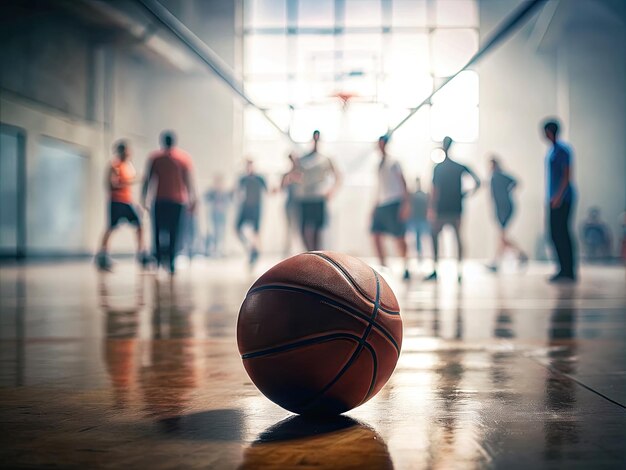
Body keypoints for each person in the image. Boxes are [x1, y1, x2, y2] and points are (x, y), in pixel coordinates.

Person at [425, 136, 480, 282]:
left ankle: (438, 269)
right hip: (455, 209)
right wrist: (465, 194)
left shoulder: (439, 168)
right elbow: (477, 182)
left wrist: (431, 208)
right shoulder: (458, 167)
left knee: (439, 238)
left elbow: (434, 190)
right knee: (457, 239)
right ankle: (458, 271)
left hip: (443, 209)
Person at [141, 131, 196, 275]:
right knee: (175, 232)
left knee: (158, 231)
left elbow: (148, 180)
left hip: (160, 200)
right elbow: (188, 181)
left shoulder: (155, 158)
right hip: (177, 201)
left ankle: (159, 261)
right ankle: (171, 262)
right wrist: (192, 199)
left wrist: (144, 199)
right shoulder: (184, 158)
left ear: (162, 142)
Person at [95, 140, 150, 272]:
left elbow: (130, 180)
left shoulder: (128, 166)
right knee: (111, 227)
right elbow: (112, 184)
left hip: (127, 201)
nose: (129, 153)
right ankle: (102, 255)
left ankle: (141, 253)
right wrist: (132, 180)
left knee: (139, 225)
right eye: (126, 150)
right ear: (121, 151)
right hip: (116, 201)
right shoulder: (114, 166)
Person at [370, 135, 411, 279]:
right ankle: (383, 267)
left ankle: (406, 266)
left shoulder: (394, 162)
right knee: (375, 234)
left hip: (394, 203)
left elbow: (403, 183)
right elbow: (380, 187)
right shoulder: (378, 164)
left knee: (399, 237)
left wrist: (406, 204)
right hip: (382, 204)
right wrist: (374, 206)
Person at [542, 119, 577, 282]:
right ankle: (562, 268)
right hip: (553, 199)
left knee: (562, 233)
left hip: (562, 199)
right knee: (554, 234)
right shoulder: (552, 151)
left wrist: (558, 196)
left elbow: (567, 174)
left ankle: (568, 270)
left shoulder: (562, 150)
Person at [297, 130, 341, 251]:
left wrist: (331, 191)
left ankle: (316, 256)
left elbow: (338, 176)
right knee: (304, 229)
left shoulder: (325, 158)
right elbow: (295, 174)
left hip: (318, 198)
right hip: (305, 198)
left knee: (317, 230)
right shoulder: (303, 159)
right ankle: (309, 254)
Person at [485, 157, 528, 272]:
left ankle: (521, 255)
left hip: (505, 208)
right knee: (501, 236)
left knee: (502, 236)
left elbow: (516, 182)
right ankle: (497, 262)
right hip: (501, 208)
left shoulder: (498, 177)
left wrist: (507, 193)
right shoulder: (495, 177)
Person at [236, 159, 267, 266]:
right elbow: (237, 191)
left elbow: (268, 190)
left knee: (255, 232)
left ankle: (255, 251)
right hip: (245, 207)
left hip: (256, 208)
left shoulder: (260, 178)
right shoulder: (243, 179)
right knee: (237, 228)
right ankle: (251, 248)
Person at [204, 175, 232, 257]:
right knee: (214, 232)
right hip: (214, 215)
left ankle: (221, 250)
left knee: (222, 233)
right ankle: (214, 250)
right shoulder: (212, 191)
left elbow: (229, 201)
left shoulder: (225, 192)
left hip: (222, 215)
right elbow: (205, 198)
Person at [280, 153, 302, 256]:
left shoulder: (301, 173)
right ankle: (287, 251)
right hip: (289, 204)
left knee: (300, 228)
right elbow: (281, 188)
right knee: (288, 228)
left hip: (300, 204)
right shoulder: (287, 174)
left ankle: (300, 251)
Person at [409, 177, 430, 265]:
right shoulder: (413, 195)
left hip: (422, 219)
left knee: (425, 238)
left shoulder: (423, 195)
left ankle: (423, 255)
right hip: (416, 219)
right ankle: (419, 255)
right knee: (417, 239)